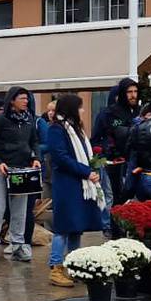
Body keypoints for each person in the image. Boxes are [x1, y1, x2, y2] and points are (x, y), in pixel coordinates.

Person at [43, 94, 108, 288]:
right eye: (80, 108)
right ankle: (56, 267)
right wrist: (87, 172)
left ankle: (73, 265)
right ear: (71, 108)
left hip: (79, 183)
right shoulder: (57, 129)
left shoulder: (76, 129)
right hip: (67, 184)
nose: (83, 111)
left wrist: (92, 169)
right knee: (63, 227)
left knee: (75, 227)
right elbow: (61, 158)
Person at [0, 86, 41, 263]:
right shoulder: (0, 119)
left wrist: (36, 158)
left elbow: (34, 141)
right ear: (12, 100)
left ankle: (18, 245)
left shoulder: (29, 119)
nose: (26, 101)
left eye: (27, 98)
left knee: (20, 211)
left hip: (21, 170)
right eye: (22, 98)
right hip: (2, 170)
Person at [99, 79, 141, 206]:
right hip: (115, 162)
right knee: (115, 198)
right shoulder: (108, 113)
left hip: (136, 161)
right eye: (129, 92)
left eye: (135, 91)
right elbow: (98, 137)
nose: (133, 95)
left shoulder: (140, 111)